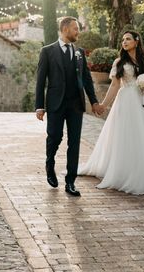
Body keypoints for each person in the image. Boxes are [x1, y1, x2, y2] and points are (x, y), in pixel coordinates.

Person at [78, 30, 144, 195]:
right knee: (126, 136)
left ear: (136, 41)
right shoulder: (119, 62)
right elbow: (114, 85)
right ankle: (125, 172)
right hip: (126, 101)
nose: (124, 42)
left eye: (128, 39)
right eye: (122, 40)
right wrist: (104, 105)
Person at [35, 17, 105, 197]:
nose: (78, 32)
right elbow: (41, 81)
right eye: (75, 29)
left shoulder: (80, 52)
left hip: (76, 105)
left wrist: (94, 101)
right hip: (56, 104)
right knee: (55, 138)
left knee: (74, 143)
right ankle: (49, 165)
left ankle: (70, 182)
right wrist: (39, 106)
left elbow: (87, 79)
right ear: (65, 29)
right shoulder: (47, 51)